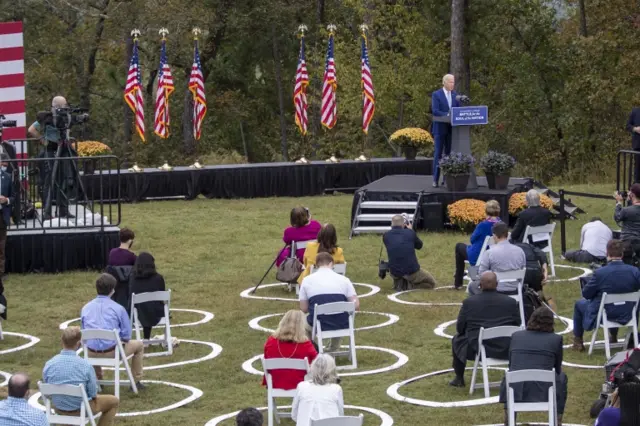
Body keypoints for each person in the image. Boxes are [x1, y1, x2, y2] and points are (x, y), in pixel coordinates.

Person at [450, 271, 521, 387]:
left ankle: (459, 378)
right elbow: (518, 323)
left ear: (480, 285)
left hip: (479, 348)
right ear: (497, 284)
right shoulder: (510, 302)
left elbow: (460, 328)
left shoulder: (469, 303)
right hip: (506, 347)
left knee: (457, 339)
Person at [499, 307, 568, 426]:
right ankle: (558, 418)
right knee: (561, 377)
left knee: (510, 375)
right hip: (544, 389)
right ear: (551, 322)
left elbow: (512, 363)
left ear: (531, 319)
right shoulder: (556, 339)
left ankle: (509, 416)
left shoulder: (516, 336)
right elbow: (557, 368)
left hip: (517, 388)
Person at [572, 239, 640, 351]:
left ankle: (578, 341)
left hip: (606, 314)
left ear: (607, 253)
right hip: (629, 313)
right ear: (622, 254)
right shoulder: (635, 271)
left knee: (579, 304)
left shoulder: (600, 273)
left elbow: (586, 294)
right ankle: (616, 337)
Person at [43, 327, 119, 426]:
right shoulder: (85, 366)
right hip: (80, 409)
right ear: (79, 344)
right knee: (114, 401)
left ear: (62, 341)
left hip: (59, 408)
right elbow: (93, 393)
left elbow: (47, 386)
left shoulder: (49, 364)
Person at [81, 273, 145, 387]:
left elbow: (84, 332)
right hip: (112, 352)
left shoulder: (85, 308)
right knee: (139, 345)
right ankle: (136, 380)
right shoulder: (118, 309)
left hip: (90, 352)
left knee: (93, 341)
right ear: (112, 290)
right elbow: (126, 336)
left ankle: (98, 379)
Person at [28, 95, 78, 219]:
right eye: (61, 106)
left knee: (64, 180)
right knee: (49, 181)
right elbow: (31, 129)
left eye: (65, 105)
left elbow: (67, 130)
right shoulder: (47, 117)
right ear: (54, 106)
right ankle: (47, 212)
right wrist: (43, 140)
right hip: (50, 149)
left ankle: (63, 210)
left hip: (63, 149)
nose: (63, 108)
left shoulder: (66, 117)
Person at [299, 252, 359, 352]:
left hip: (319, 323)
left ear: (316, 264)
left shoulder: (306, 280)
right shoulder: (344, 280)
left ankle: (311, 349)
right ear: (332, 263)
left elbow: (304, 308)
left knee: (301, 320)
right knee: (340, 313)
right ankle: (333, 348)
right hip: (342, 324)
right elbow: (356, 305)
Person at [262, 310, 318, 390]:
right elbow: (317, 362)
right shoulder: (306, 345)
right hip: (302, 384)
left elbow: (267, 359)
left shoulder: (271, 342)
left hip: (275, 383)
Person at [454, 200, 501, 289]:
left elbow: (472, 239)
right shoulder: (501, 224)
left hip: (479, 256)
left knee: (459, 247)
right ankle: (470, 275)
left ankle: (458, 282)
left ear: (486, 211)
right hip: (495, 256)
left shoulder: (483, 225)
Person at [383, 214, 437, 291]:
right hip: (412, 271)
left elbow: (395, 247)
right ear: (404, 224)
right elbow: (419, 246)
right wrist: (411, 230)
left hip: (394, 272)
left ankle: (400, 282)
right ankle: (410, 287)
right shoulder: (410, 233)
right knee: (431, 283)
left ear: (391, 224)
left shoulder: (386, 236)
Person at [471, 222, 526, 295]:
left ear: (494, 236)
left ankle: (481, 304)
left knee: (472, 286)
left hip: (495, 290)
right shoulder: (520, 251)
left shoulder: (489, 253)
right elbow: (523, 269)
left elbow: (482, 275)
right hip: (516, 288)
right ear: (507, 235)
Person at [292, 354, 344, 426]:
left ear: (313, 367)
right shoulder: (336, 389)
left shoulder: (301, 386)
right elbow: (340, 415)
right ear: (332, 371)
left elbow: (294, 414)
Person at [431, 74, 460, 187]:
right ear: (444, 82)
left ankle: (446, 179)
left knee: (449, 154)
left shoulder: (455, 95)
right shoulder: (436, 94)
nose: (452, 84)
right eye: (450, 82)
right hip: (439, 128)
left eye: (453, 82)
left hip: (451, 128)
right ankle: (435, 179)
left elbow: (457, 110)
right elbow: (435, 110)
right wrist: (448, 114)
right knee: (438, 153)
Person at [129, 252, 166, 340]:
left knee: (143, 306)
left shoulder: (133, 279)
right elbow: (162, 297)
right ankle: (146, 338)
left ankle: (145, 339)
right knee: (150, 305)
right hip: (156, 313)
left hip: (138, 314)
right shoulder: (158, 278)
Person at [512, 240, 556, 311]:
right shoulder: (529, 245)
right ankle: (545, 306)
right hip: (536, 271)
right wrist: (545, 269)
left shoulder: (511, 248)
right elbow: (542, 254)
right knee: (538, 291)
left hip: (523, 272)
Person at [0, 153, 14, 277]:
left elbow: (13, 197)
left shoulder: (8, 177)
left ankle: (1, 273)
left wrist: (7, 200)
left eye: (6, 164)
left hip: (1, 216)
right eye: (2, 163)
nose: (4, 166)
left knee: (1, 247)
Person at [626, 106, 640, 183]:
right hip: (638, 145)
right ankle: (636, 188)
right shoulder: (635, 111)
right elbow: (628, 126)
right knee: (637, 168)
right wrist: (635, 129)